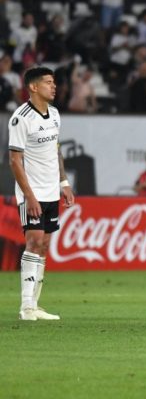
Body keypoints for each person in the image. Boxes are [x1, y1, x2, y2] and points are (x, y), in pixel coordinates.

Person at [8, 66, 75, 321]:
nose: (54, 86)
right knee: (34, 241)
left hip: (51, 191)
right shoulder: (21, 118)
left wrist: (64, 182)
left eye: (54, 82)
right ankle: (26, 306)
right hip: (31, 192)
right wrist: (30, 196)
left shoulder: (55, 114)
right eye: (48, 82)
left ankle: (35, 304)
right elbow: (15, 160)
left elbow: (56, 151)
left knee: (45, 245)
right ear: (33, 87)